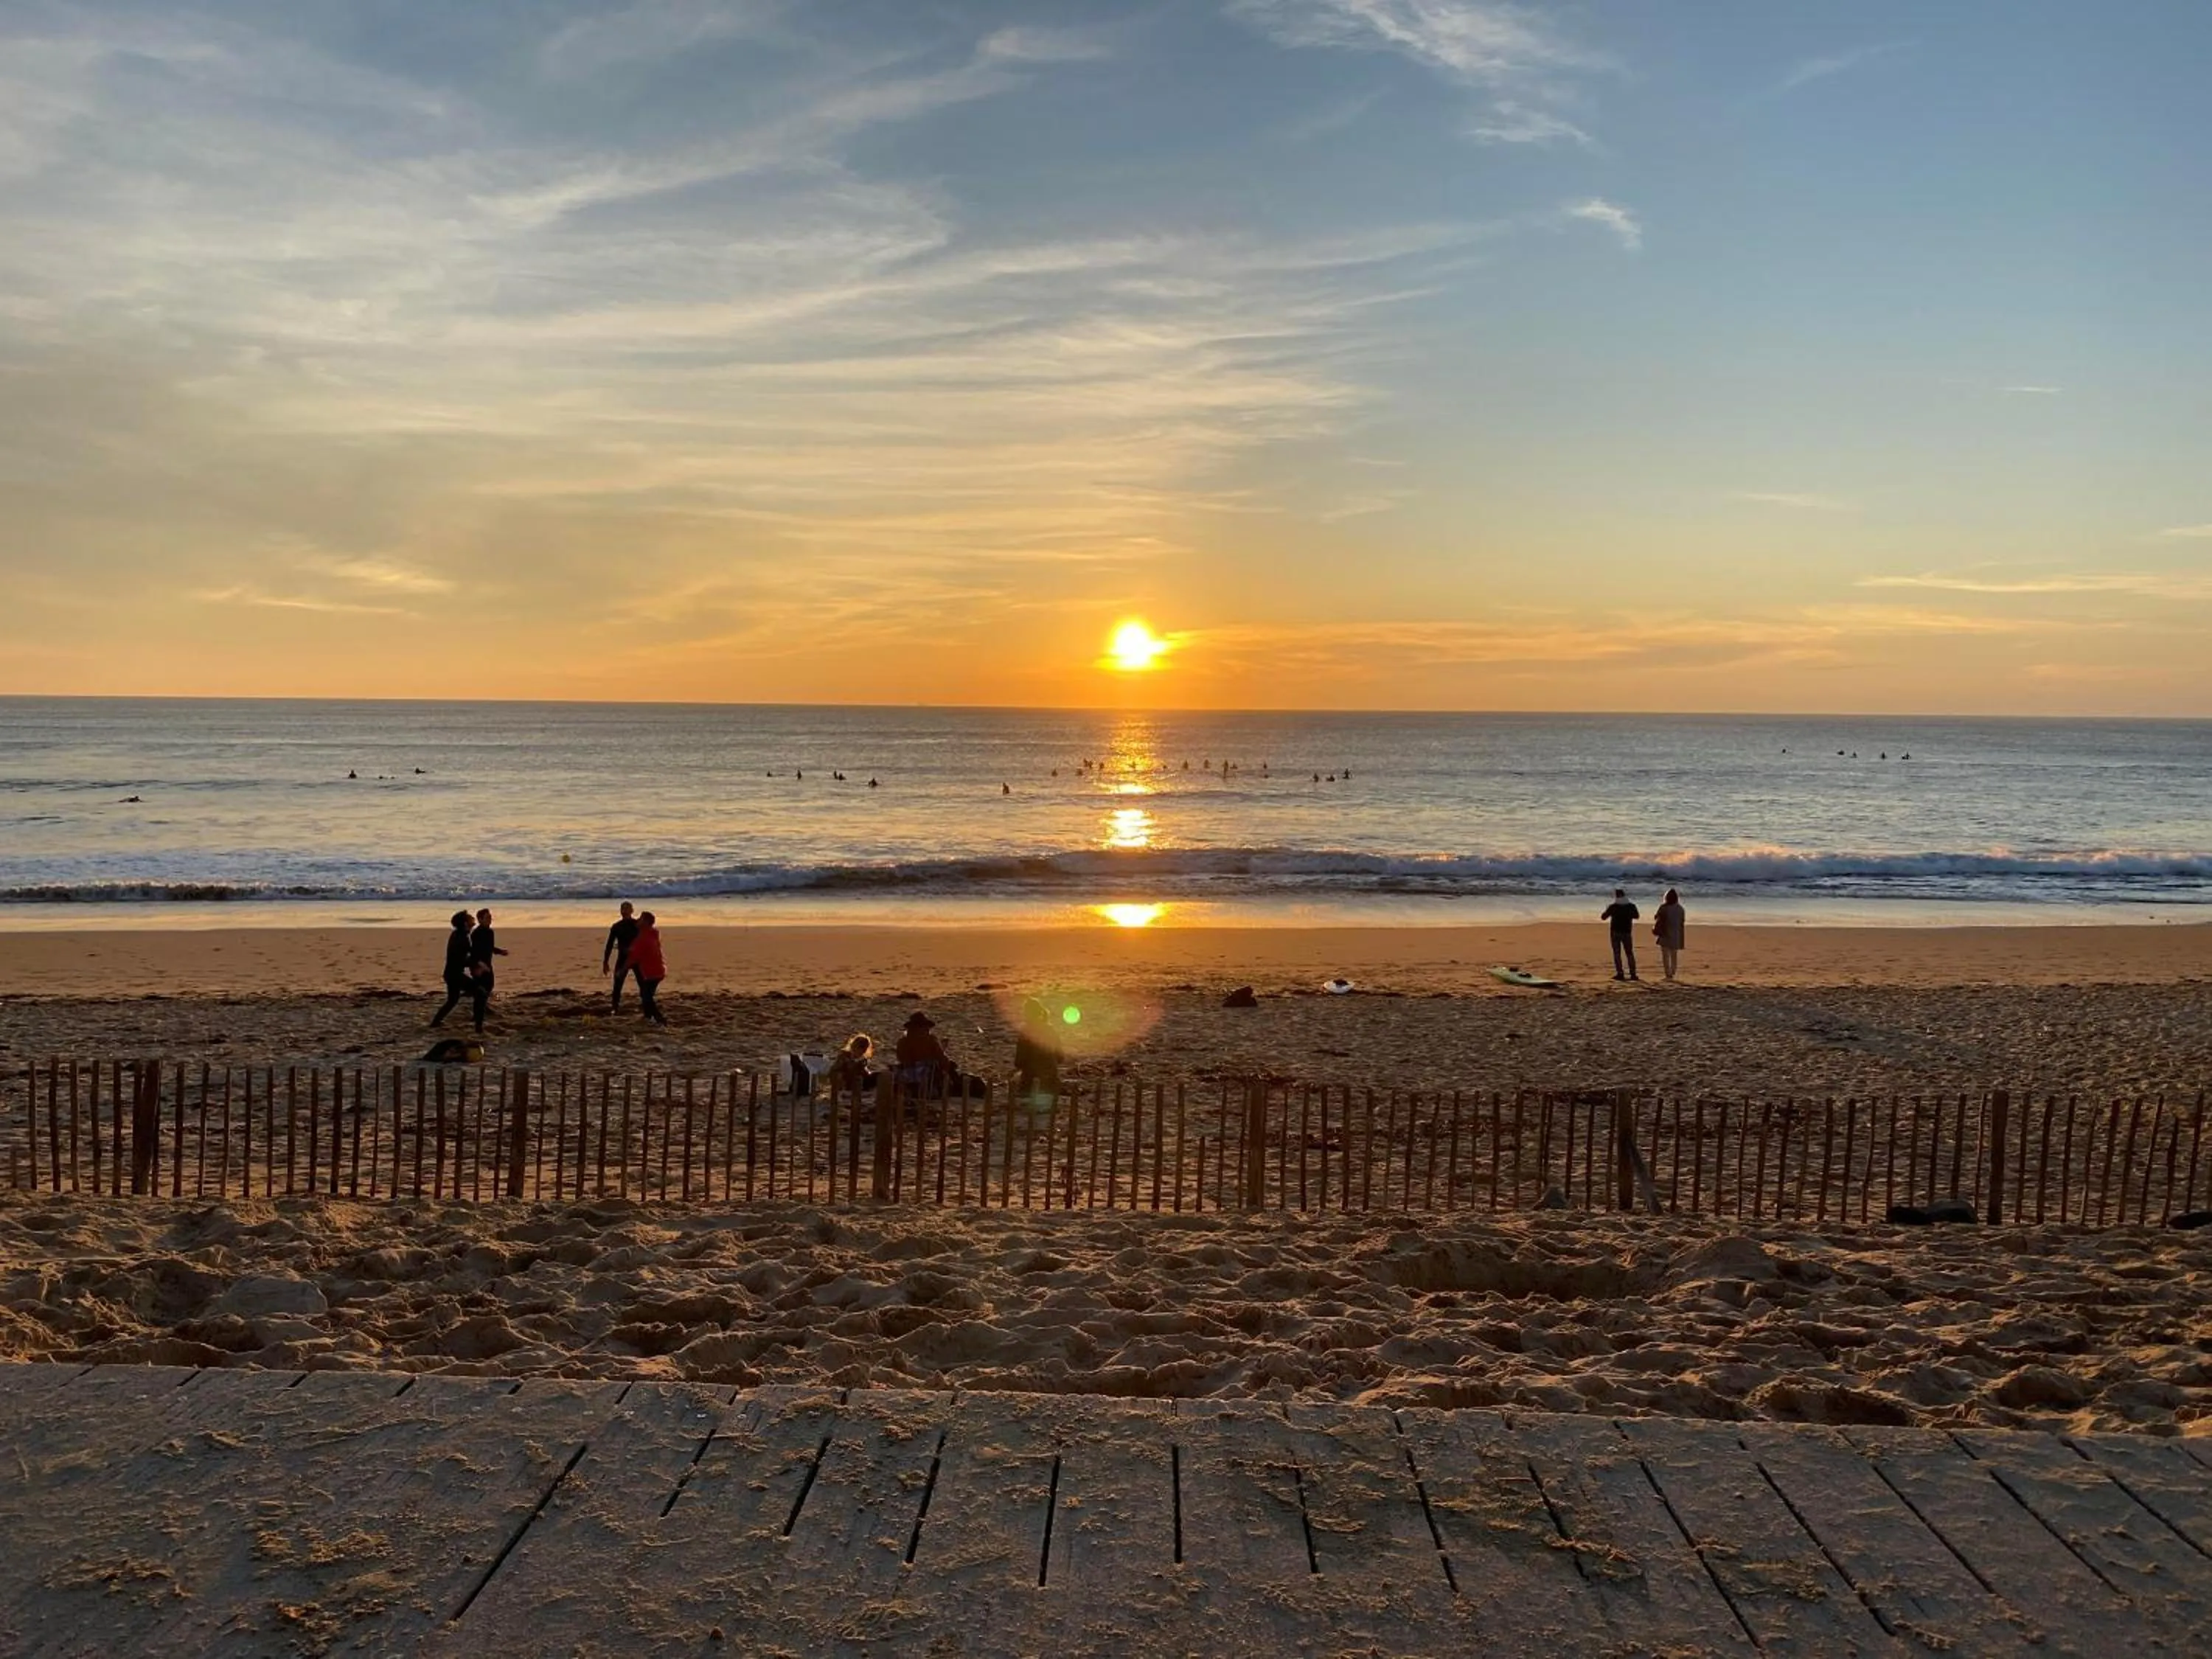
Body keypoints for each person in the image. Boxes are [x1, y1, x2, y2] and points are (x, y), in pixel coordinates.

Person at [1013, 997, 1062, 1105]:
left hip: (1032, 1081)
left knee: (1016, 1080)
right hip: (1050, 1080)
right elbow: (1060, 1057)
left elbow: (1019, 1061)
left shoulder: (1026, 1033)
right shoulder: (1050, 1029)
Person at [894, 1010, 955, 1096]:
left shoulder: (903, 1042)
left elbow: (901, 1058)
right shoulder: (930, 1040)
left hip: (907, 1073)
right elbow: (943, 1060)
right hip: (926, 1076)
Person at [430, 911, 475, 1027]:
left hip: (451, 974)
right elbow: (462, 959)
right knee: (480, 992)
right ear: (465, 923)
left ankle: (436, 1022)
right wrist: (476, 964)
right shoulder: (463, 937)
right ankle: (477, 1018)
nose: (473, 919)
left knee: (452, 1001)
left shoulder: (458, 934)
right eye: (470, 918)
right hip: (455, 975)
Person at [468, 908, 507, 1029]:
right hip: (478, 964)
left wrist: (500, 952)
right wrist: (479, 965)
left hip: (487, 963)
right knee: (481, 990)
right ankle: (477, 1016)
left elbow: (489, 947)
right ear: (480, 919)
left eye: (490, 917)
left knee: (489, 986)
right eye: (487, 918)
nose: (490, 920)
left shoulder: (490, 932)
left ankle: (481, 1009)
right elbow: (473, 951)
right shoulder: (476, 933)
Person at [628, 911, 667, 1024]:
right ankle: (648, 1016)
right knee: (646, 995)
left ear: (645, 923)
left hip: (652, 973)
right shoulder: (653, 933)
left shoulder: (643, 939)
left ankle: (659, 1019)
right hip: (659, 970)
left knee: (647, 997)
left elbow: (633, 958)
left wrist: (622, 970)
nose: (637, 920)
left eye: (640, 919)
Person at [603, 901, 640, 1012]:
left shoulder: (638, 925)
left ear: (632, 911)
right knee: (618, 984)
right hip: (624, 958)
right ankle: (615, 1007)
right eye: (623, 909)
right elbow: (609, 945)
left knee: (643, 983)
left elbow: (646, 942)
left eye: (627, 909)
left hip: (636, 958)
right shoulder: (617, 926)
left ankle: (646, 1006)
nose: (624, 911)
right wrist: (605, 962)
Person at [1600, 888, 1640, 981]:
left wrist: (1607, 909)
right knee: (1629, 953)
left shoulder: (1613, 907)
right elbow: (1637, 916)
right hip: (1627, 931)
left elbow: (1603, 917)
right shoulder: (1631, 906)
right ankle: (1633, 974)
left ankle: (1620, 973)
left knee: (1617, 953)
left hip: (1615, 932)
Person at [1653, 888, 1686, 981]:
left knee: (1665, 955)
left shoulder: (1664, 907)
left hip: (1665, 933)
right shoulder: (1680, 909)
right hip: (1676, 934)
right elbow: (1682, 922)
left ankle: (1668, 974)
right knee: (1674, 954)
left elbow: (1657, 917)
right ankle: (1673, 971)